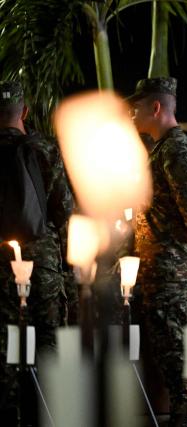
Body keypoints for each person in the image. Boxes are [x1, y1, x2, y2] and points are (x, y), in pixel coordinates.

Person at [128, 77, 187, 427]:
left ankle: (186, 418)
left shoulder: (176, 149)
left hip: (173, 272)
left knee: (178, 351)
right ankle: (183, 415)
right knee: (169, 350)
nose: (133, 113)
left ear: (156, 107)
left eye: (138, 106)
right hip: (159, 271)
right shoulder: (162, 150)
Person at [0, 81, 74, 423]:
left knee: (5, 345)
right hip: (42, 264)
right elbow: (65, 211)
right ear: (25, 112)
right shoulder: (43, 148)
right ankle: (48, 415)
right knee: (48, 343)